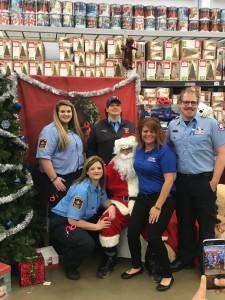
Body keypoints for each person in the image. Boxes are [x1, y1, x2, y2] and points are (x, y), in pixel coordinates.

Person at [167, 87, 225, 272]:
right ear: (180, 104)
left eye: (193, 102)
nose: (189, 106)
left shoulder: (211, 124)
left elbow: (222, 153)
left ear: (197, 103)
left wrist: (214, 181)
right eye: (186, 102)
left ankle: (212, 266)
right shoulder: (172, 126)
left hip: (204, 182)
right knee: (185, 224)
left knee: (207, 225)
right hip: (182, 183)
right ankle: (186, 260)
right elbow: (167, 153)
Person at [121, 118, 176, 292]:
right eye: (145, 131)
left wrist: (158, 206)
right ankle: (136, 265)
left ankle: (167, 275)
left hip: (163, 199)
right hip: (143, 197)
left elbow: (169, 180)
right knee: (133, 231)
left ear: (158, 132)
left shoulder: (165, 152)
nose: (148, 134)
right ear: (140, 133)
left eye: (152, 131)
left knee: (153, 236)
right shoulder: (139, 149)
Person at [50, 156, 117, 280]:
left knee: (97, 233)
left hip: (81, 218)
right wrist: (97, 226)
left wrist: (112, 206)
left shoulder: (98, 185)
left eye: (99, 168)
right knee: (86, 243)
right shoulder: (81, 190)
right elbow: (72, 220)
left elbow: (104, 201)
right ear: (87, 172)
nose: (96, 171)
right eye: (92, 169)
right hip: (62, 221)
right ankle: (69, 266)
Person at [96, 134, 139, 278]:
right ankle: (110, 258)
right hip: (118, 202)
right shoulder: (112, 164)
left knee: (152, 222)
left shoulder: (142, 161)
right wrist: (108, 204)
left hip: (141, 201)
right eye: (123, 149)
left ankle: (153, 259)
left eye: (129, 149)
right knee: (108, 220)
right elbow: (100, 186)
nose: (126, 152)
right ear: (118, 150)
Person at [36, 99, 84, 209]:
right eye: (62, 111)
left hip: (75, 178)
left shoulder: (73, 130)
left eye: (69, 111)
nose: (66, 114)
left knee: (73, 212)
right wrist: (54, 179)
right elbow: (43, 157)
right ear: (57, 113)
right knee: (59, 214)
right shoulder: (49, 131)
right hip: (60, 179)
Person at [87, 95, 135, 164]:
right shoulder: (97, 127)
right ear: (107, 109)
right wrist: (95, 164)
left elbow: (135, 147)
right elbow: (91, 149)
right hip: (104, 169)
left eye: (117, 105)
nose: (115, 107)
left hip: (124, 168)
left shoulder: (130, 125)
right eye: (112, 105)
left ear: (121, 109)